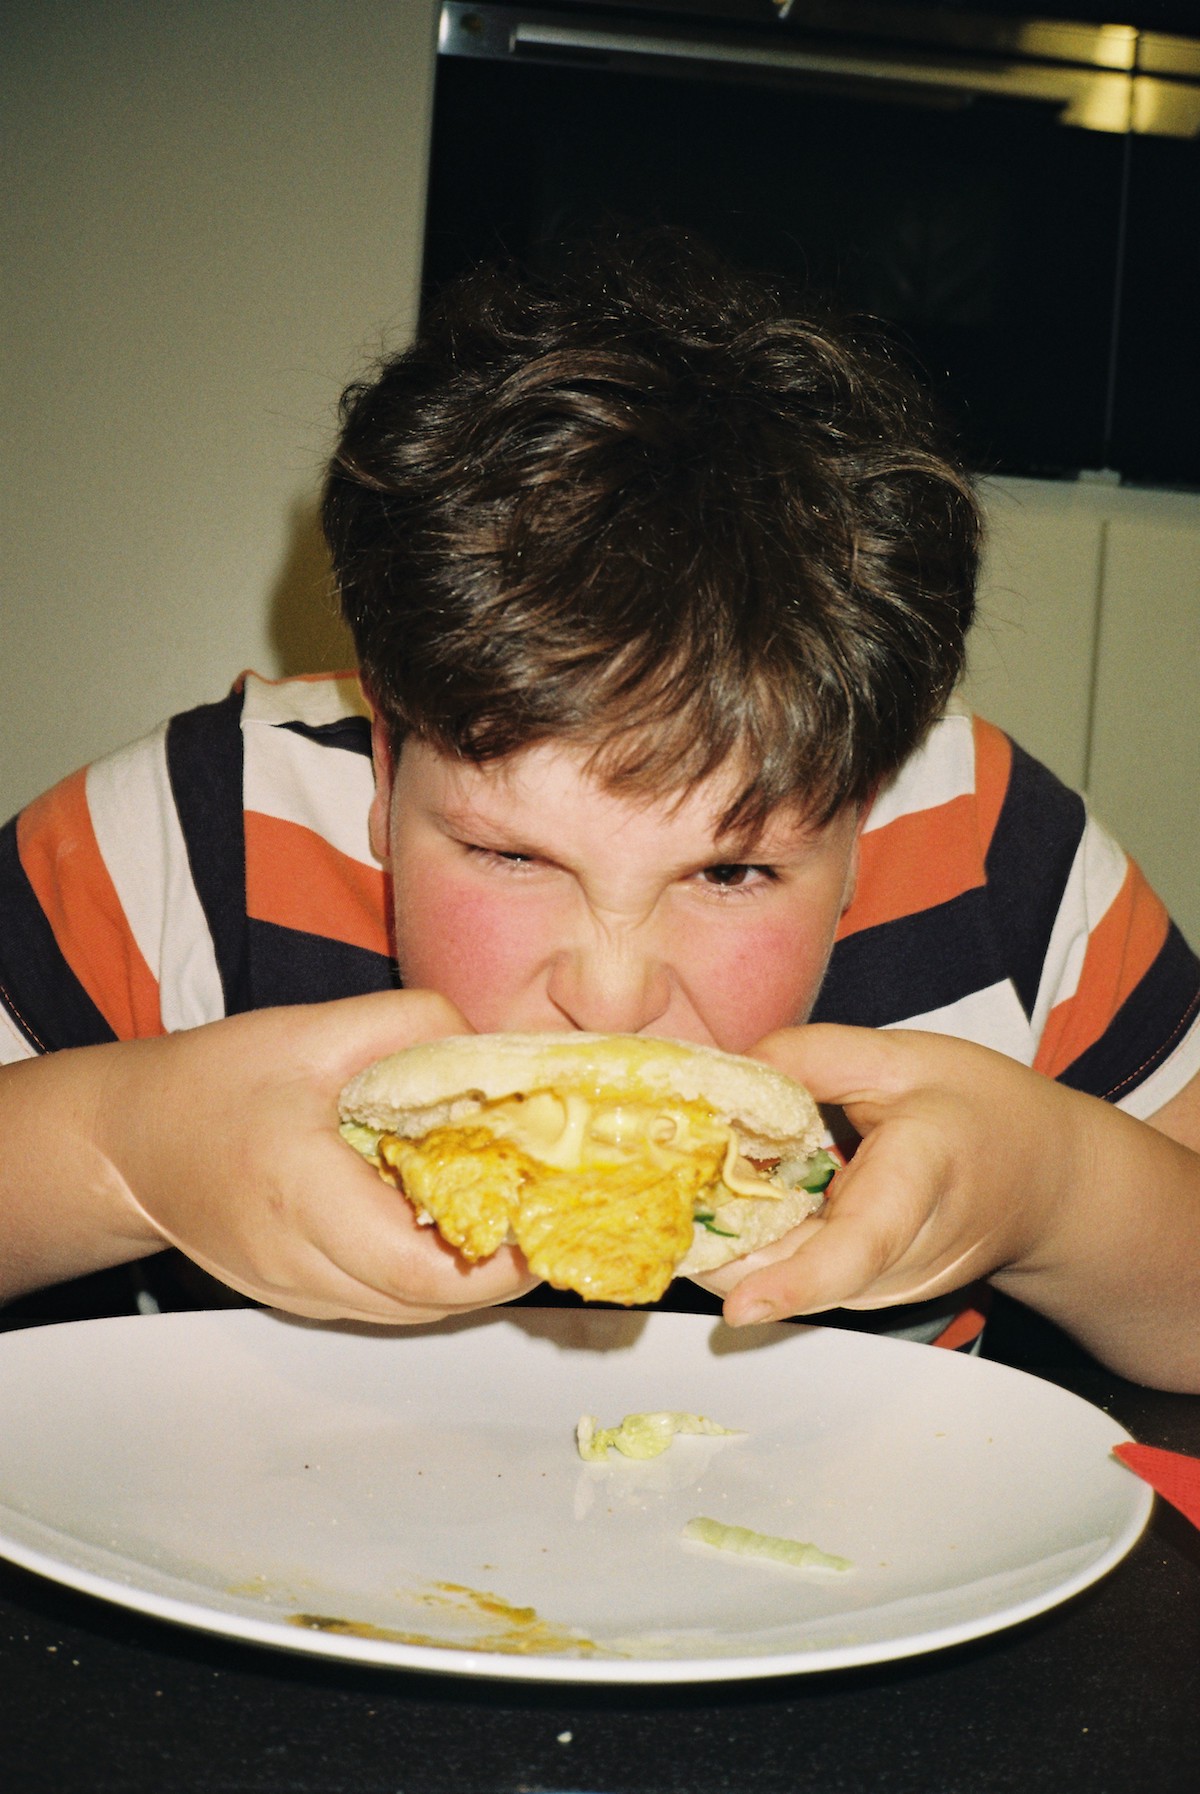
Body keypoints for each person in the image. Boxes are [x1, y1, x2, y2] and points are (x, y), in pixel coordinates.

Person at [2, 233, 1198, 1387]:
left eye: (731, 874)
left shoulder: (1001, 866)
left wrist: (1057, 1195)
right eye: (509, 853)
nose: (615, 996)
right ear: (382, 767)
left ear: (869, 813)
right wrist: (124, 1154)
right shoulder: (189, 842)